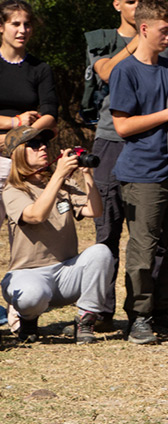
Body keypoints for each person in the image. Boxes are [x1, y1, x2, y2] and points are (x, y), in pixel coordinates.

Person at [108, 0, 168, 345]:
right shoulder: (125, 71)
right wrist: (167, 115)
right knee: (143, 250)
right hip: (141, 175)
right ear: (144, 28)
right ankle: (139, 317)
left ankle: (164, 310)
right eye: (165, 31)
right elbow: (122, 127)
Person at [84, 0, 166, 324]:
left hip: (149, 144)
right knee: (108, 230)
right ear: (118, 4)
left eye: (142, 1)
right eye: (131, 2)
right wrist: (138, 41)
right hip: (109, 141)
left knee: (149, 234)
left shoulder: (163, 37)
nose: (137, 7)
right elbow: (105, 73)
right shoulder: (103, 42)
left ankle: (145, 310)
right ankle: (101, 309)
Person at [1, 127, 115, 344]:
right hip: (28, 275)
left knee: (101, 252)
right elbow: (36, 216)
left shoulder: (62, 183)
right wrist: (59, 175)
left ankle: (85, 319)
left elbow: (94, 211)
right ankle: (28, 319)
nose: (42, 147)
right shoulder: (13, 190)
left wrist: (87, 175)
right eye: (34, 145)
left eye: (44, 142)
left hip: (64, 274)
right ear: (17, 154)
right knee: (32, 295)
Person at [0, 0, 58, 331]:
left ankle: (22, 310)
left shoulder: (40, 68)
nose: (22, 30)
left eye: (27, 24)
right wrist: (15, 122)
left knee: (25, 236)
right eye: (15, 24)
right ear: (2, 27)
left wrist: (30, 130)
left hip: (24, 162)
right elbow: (25, 118)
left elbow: (50, 111)